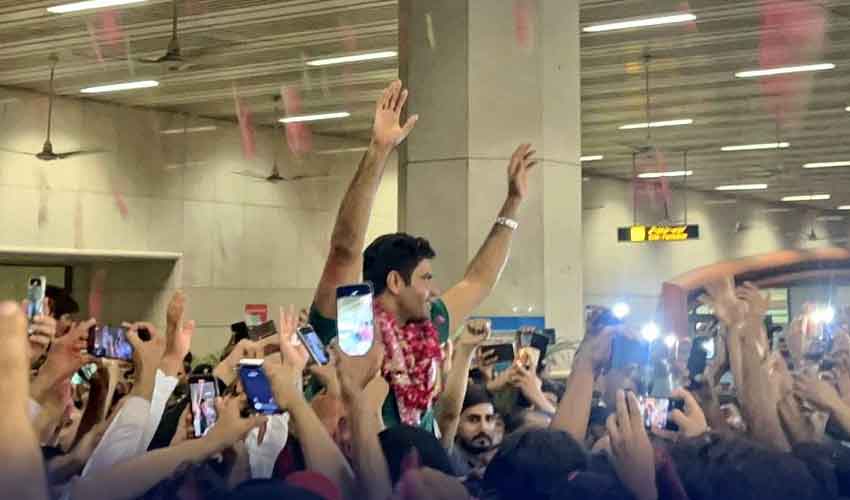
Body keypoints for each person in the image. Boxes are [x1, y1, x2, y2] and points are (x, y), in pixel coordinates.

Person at [307, 79, 538, 431]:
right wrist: (379, 150)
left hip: (417, 471)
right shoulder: (352, 323)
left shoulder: (430, 325)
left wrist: (513, 203)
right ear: (395, 281)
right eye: (425, 278)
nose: (433, 290)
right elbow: (344, 250)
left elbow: (479, 280)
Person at [448, 384, 501, 478]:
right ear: (456, 424)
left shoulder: (504, 456)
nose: (483, 428)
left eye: (489, 419)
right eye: (473, 420)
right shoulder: (450, 460)